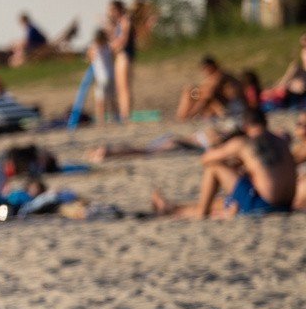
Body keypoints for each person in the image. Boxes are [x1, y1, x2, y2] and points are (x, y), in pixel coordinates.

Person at [151, 110, 296, 218]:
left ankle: (200, 213)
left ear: (245, 126)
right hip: (287, 205)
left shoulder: (244, 143)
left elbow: (206, 159)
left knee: (213, 168)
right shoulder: (280, 141)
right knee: (227, 199)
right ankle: (174, 209)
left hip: (263, 205)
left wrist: (217, 146)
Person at [176, 58, 241, 121]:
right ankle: (185, 115)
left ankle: (187, 115)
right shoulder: (215, 76)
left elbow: (209, 93)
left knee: (195, 93)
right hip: (220, 103)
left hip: (227, 105)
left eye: (205, 68)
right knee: (190, 91)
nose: (204, 71)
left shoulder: (219, 75)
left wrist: (194, 110)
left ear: (211, 67)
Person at [86, 29, 118, 125]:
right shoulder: (108, 47)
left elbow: (89, 57)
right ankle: (114, 117)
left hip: (101, 77)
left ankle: (101, 120)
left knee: (100, 100)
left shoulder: (95, 47)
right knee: (112, 98)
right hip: (111, 75)